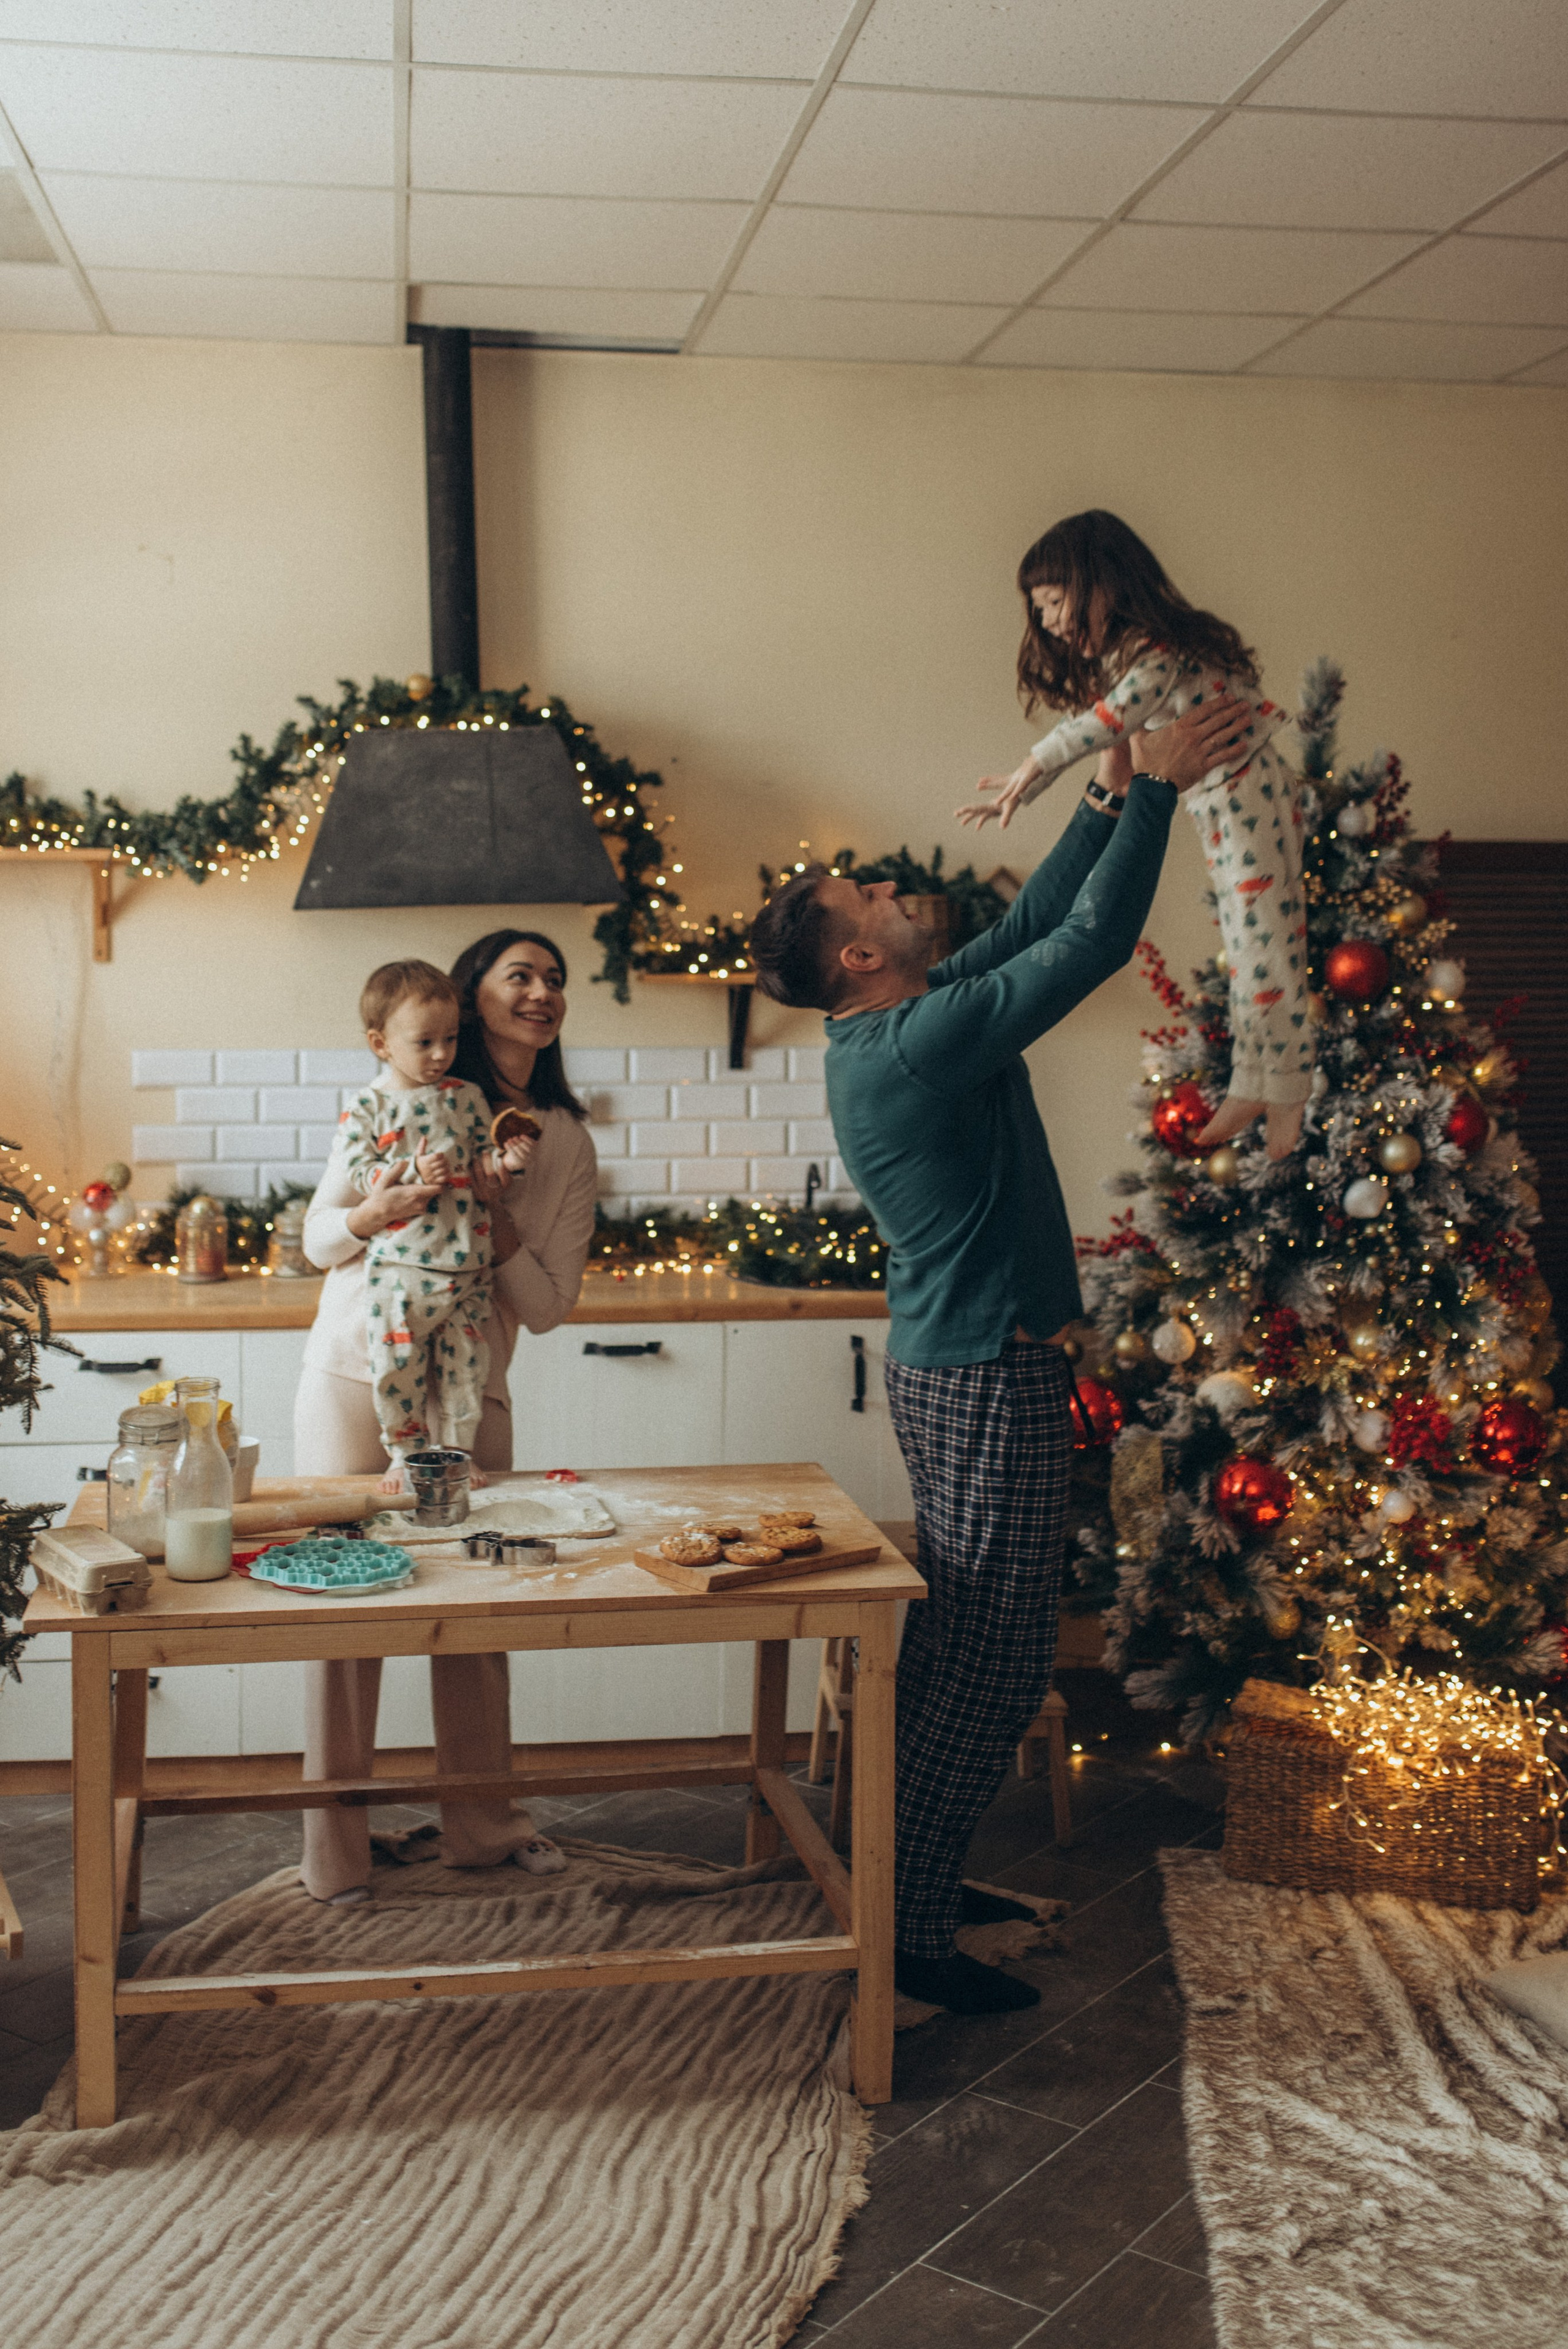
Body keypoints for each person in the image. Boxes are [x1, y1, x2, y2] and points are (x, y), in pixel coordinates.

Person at [748, 694, 1248, 2015]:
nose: (889, 887)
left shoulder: (909, 1019)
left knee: (965, 1652)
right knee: (992, 1666)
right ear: (860, 956)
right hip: (981, 1374)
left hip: (964, 1367)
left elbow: (1033, 933)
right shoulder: (915, 1041)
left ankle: (903, 1877)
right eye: (864, 895)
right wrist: (1158, 793)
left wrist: (1107, 792)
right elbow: (1087, 945)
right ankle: (907, 1935)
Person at [293, 929, 598, 1904]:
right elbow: (317, 1239)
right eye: (522, 975)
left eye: (555, 978)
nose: (543, 991)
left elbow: (548, 1307)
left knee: (478, 1608)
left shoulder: (561, 1139)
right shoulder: (395, 1101)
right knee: (342, 1609)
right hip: (356, 1372)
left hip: (473, 1387)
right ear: (471, 1000)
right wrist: (381, 1207)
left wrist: (494, 1221)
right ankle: (334, 1851)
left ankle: (484, 1826)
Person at [956, 509, 1311, 1162]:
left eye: (1054, 601)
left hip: (1248, 792)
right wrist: (1028, 784)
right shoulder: (1135, 655)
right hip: (1219, 799)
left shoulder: (1157, 652)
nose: (1048, 622)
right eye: (1039, 610)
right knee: (1246, 943)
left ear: (1103, 584)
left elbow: (1106, 721)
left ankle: (1286, 1086)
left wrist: (1030, 768)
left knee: (1266, 940)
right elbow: (1110, 738)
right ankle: (1254, 1080)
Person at [337, 958, 532, 1493]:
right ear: (381, 1044)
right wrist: (408, 1170)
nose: (442, 1053)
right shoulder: (368, 1106)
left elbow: (484, 1163)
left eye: (449, 1039)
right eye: (425, 1042)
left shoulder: (466, 1097)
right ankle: (404, 1454)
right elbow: (360, 1172)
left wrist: (507, 1162)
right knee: (395, 1367)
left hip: (467, 1265)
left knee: (468, 1369)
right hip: (400, 1270)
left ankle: (458, 1452)